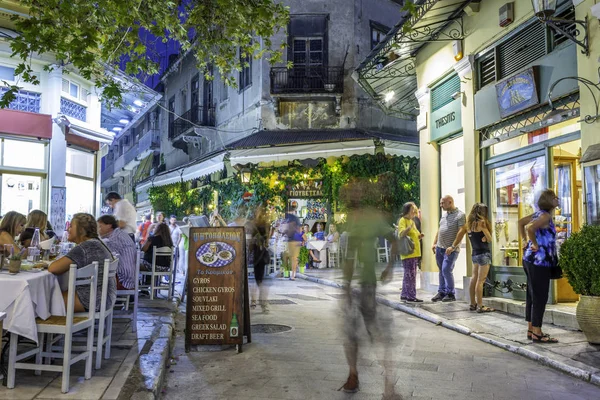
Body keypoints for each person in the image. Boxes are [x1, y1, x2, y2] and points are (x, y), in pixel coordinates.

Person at [338, 178, 399, 397]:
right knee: (350, 335)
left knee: (376, 333)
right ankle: (353, 375)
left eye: (357, 191)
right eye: (351, 191)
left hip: (367, 285)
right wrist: (345, 285)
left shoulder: (373, 217)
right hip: (354, 286)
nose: (354, 195)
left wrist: (389, 267)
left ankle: (389, 386)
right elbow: (349, 255)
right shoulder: (352, 220)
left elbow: (394, 239)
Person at [48, 213, 116, 312]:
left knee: (44, 301)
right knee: (54, 295)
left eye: (71, 226)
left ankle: (48, 327)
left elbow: (53, 268)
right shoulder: (96, 243)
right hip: (105, 297)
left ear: (81, 230)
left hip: (92, 299)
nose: (67, 229)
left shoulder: (85, 247)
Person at [518, 189, 560, 343]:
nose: (557, 199)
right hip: (539, 262)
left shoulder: (538, 214)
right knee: (540, 296)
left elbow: (521, 222)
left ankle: (531, 328)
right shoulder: (545, 216)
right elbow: (529, 228)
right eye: (555, 197)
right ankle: (537, 332)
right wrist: (533, 243)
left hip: (530, 260)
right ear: (550, 201)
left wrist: (524, 241)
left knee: (532, 295)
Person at [451, 203, 495, 313]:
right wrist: (485, 233)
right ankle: (480, 306)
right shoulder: (481, 223)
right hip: (484, 254)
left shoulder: (468, 224)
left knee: (474, 278)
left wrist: (452, 246)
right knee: (481, 280)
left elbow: (464, 235)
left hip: (474, 254)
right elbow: (489, 239)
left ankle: (472, 303)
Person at [432, 195, 466, 302]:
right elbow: (440, 230)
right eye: (440, 203)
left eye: (443, 203)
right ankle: (442, 292)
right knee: (441, 270)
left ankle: (451, 294)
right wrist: (434, 243)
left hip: (451, 249)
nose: (441, 205)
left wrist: (453, 246)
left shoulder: (460, 215)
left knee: (446, 270)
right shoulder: (444, 215)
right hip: (440, 248)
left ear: (450, 202)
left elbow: (462, 231)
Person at [98, 215, 137, 290]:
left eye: (100, 226)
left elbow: (101, 256)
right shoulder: (119, 234)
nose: (99, 229)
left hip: (122, 280)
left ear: (109, 226)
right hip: (129, 278)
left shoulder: (113, 239)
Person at [398, 202, 423, 302]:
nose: (415, 211)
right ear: (408, 210)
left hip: (414, 252)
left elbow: (416, 235)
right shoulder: (403, 220)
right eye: (413, 209)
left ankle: (404, 294)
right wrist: (409, 228)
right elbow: (401, 234)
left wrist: (420, 236)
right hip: (408, 253)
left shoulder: (411, 221)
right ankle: (411, 296)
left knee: (408, 275)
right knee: (411, 276)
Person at [247, 205, 270, 312]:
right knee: (258, 279)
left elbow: (265, 241)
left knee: (258, 279)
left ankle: (257, 302)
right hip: (258, 253)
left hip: (259, 254)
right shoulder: (261, 224)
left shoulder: (258, 224)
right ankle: (259, 302)